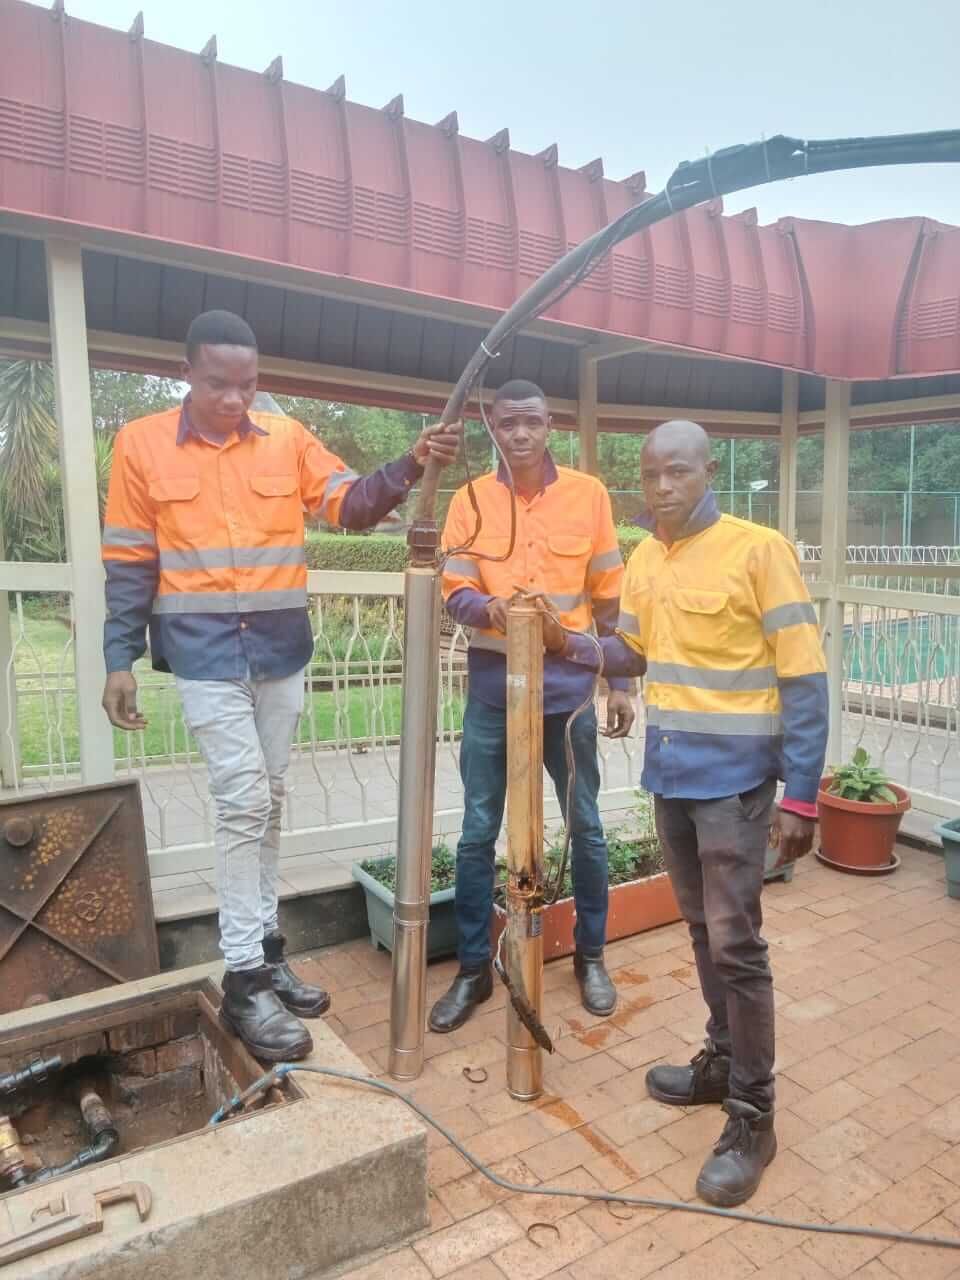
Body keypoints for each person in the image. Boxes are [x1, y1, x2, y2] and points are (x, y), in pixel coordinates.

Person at [101, 309, 461, 1062]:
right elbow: (130, 559)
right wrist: (118, 658)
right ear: (186, 373)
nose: (235, 399)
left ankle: (267, 952)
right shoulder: (140, 444)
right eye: (218, 384)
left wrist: (410, 463)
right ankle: (243, 979)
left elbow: (350, 506)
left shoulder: (287, 438)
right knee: (242, 800)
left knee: (268, 797)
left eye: (248, 384)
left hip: (279, 650)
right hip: (202, 654)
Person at [540, 419, 827, 1207]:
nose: (662, 487)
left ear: (708, 470)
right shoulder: (645, 558)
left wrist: (802, 797)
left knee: (737, 945)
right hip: (672, 777)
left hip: (736, 786)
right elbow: (631, 653)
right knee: (702, 932)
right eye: (650, 475)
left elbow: (804, 678)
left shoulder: (758, 550)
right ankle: (722, 1061)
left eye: (677, 471)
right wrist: (568, 639)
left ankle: (754, 1116)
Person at [428, 379, 637, 1034]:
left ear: (551, 426)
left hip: (569, 692)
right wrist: (487, 607)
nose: (520, 434)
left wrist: (620, 684)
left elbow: (609, 595)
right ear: (492, 427)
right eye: (508, 423)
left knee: (585, 826)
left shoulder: (588, 495)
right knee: (476, 830)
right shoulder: (470, 499)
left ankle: (591, 957)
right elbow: (454, 587)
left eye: (533, 423)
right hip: (495, 692)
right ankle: (472, 969)